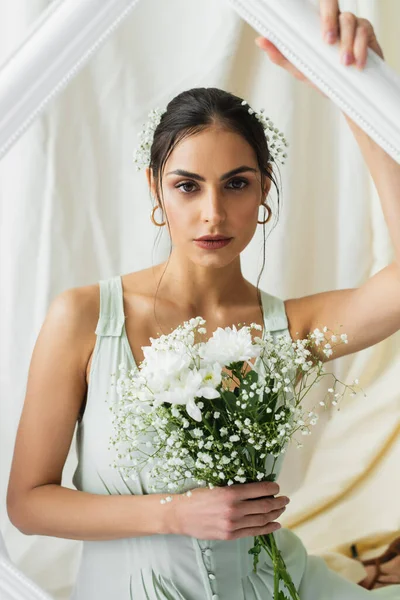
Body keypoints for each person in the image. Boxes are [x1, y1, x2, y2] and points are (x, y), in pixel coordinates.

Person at [6, 1, 400, 598]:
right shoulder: (86, 317)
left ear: (264, 189)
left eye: (236, 184)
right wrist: (171, 513)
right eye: (187, 186)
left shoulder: (290, 328)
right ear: (155, 189)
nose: (212, 213)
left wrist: (355, 83)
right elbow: (29, 503)